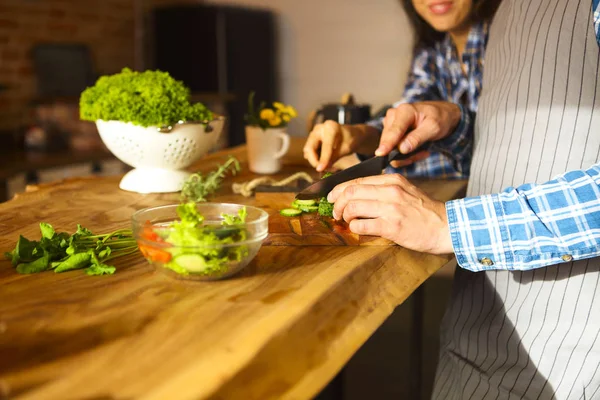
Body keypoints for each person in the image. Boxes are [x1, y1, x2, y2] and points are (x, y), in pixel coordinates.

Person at [327, 0, 600, 398]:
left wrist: (447, 225)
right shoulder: (506, 13)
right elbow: (538, 148)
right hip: (479, 329)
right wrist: (457, 126)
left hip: (571, 354)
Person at [303, 0, 501, 179]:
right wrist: (358, 135)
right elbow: (407, 117)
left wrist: (370, 164)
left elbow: (492, 156)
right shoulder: (434, 48)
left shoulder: (507, 41)